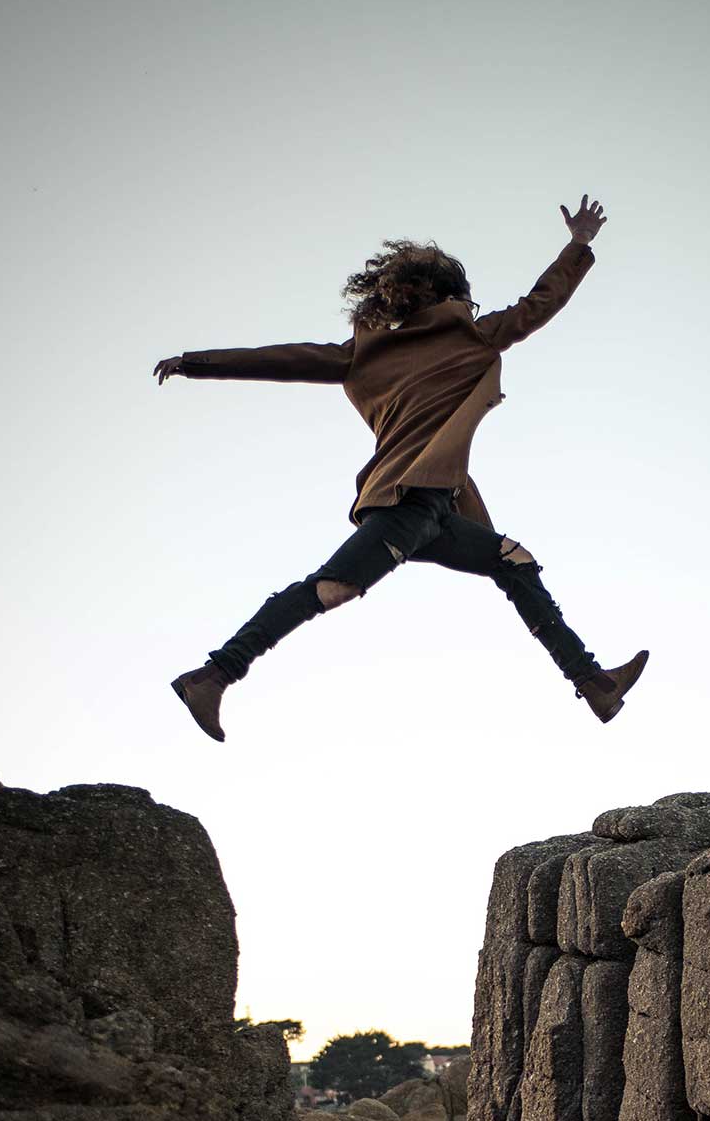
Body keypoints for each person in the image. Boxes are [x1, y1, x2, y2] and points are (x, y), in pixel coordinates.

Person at [153, 193, 649, 742]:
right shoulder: (470, 335)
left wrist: (196, 363)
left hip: (437, 507)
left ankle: (593, 683)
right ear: (449, 296)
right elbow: (540, 303)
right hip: (405, 503)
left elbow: (281, 357)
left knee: (514, 562)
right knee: (332, 587)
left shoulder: (365, 353)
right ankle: (215, 674)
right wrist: (577, 245)